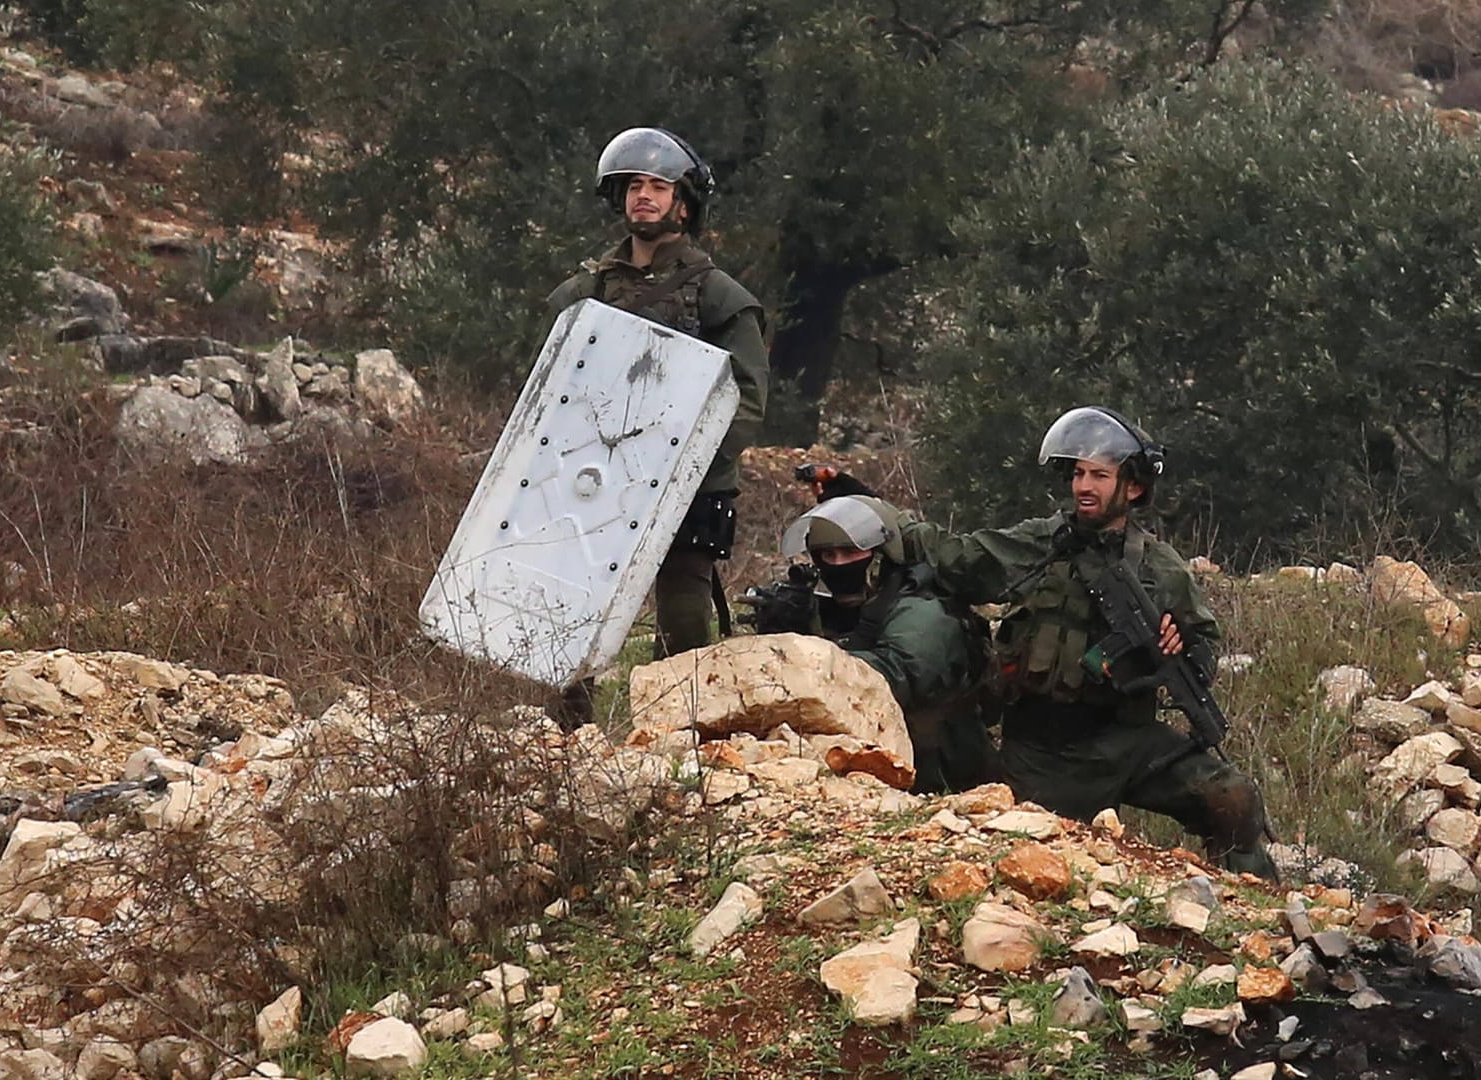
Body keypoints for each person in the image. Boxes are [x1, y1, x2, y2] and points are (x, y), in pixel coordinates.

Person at [892, 407, 1276, 879]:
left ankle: (1254, 911)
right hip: (1042, 751)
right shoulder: (1042, 542)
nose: (1083, 487)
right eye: (1078, 474)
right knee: (1024, 851)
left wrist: (1182, 648)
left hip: (1129, 742)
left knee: (1233, 799)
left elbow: (1202, 651)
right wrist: (886, 520)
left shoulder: (1162, 569)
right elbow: (961, 559)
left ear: (1132, 488)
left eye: (1099, 475)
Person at [547, 127, 769, 657]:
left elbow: (746, 400)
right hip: (596, 473)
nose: (642, 195)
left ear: (684, 205)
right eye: (633, 186)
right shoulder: (587, 293)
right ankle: (567, 730)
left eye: (658, 186)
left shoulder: (719, 297)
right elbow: (549, 388)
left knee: (683, 612)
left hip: (688, 482)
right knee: (573, 599)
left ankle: (682, 723)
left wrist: (681, 463)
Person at [764, 495, 994, 794]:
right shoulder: (860, 604)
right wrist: (782, 629)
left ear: (882, 554)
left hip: (943, 778)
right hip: (876, 773)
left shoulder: (922, 609)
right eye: (828, 555)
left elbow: (894, 676)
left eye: (850, 552)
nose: (839, 565)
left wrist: (803, 654)